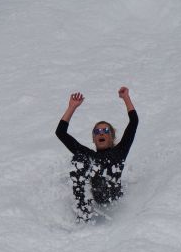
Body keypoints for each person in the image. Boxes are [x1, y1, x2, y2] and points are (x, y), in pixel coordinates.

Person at [55, 86, 139, 222]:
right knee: (80, 158)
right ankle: (83, 213)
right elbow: (61, 133)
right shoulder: (89, 155)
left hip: (112, 194)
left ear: (111, 136)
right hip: (96, 195)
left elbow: (134, 122)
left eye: (105, 130)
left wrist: (126, 98)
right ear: (93, 139)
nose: (101, 133)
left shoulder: (120, 150)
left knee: (91, 164)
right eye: (97, 132)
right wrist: (72, 107)